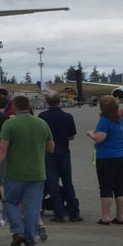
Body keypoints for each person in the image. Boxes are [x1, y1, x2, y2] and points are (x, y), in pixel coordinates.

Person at [0, 95, 54, 246]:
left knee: (10, 202)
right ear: (29, 106)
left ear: (14, 108)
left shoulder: (10, 124)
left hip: (14, 173)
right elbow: (51, 148)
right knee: (32, 208)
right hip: (37, 173)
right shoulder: (42, 124)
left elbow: (2, 149)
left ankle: (18, 230)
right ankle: (31, 240)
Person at [38, 92, 82, 222]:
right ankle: (74, 212)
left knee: (53, 184)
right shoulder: (68, 116)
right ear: (60, 101)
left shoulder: (42, 117)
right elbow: (71, 136)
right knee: (68, 182)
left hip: (49, 153)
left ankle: (59, 213)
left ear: (47, 102)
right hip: (63, 152)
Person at [87, 94, 123, 226]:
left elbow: (100, 138)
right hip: (122, 155)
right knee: (119, 186)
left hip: (107, 157)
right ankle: (120, 216)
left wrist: (91, 134)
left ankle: (105, 216)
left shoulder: (104, 121)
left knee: (106, 187)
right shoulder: (120, 119)